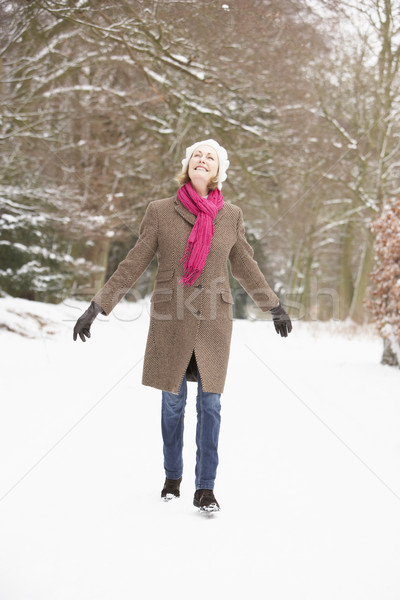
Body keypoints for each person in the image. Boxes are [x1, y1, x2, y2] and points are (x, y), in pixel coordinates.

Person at [73, 139, 292, 512]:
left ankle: (205, 487)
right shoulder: (160, 211)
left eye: (210, 157)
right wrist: (98, 305)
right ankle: (172, 476)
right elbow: (134, 261)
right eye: (196, 155)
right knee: (172, 405)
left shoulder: (231, 216)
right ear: (187, 165)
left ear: (219, 170)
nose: (202, 160)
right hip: (171, 319)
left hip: (213, 322)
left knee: (211, 405)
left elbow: (244, 265)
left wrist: (272, 304)